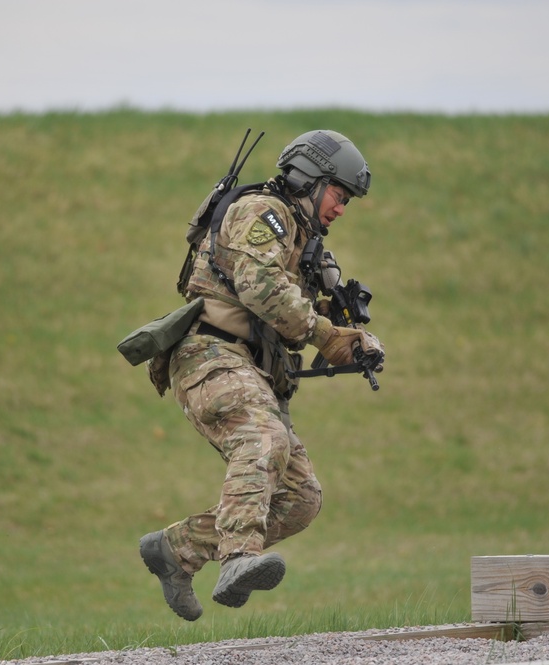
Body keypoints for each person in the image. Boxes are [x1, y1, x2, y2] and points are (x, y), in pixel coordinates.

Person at [139, 130, 384, 621]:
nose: (341, 209)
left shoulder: (300, 237)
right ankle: (237, 559)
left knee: (301, 499)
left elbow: (297, 307)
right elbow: (261, 287)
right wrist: (323, 334)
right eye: (339, 195)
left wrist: (352, 339)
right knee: (263, 435)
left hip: (251, 368)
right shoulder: (261, 213)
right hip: (209, 355)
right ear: (312, 179)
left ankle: (176, 550)